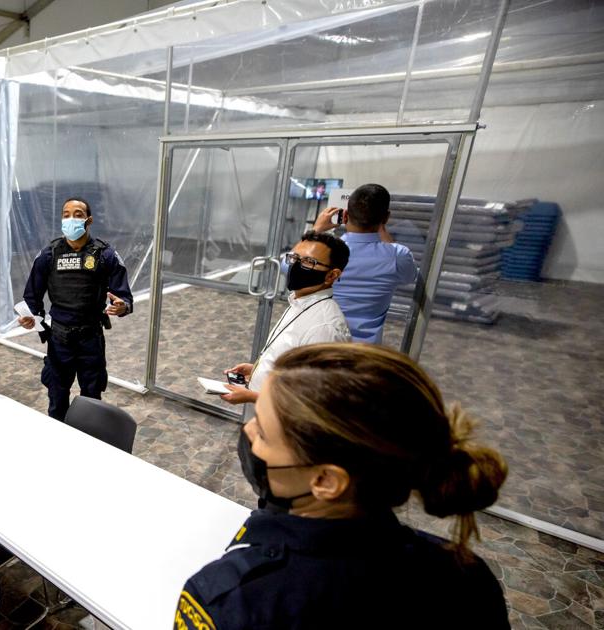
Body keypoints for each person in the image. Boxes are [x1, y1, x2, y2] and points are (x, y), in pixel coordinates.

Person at [177, 343, 510, 629]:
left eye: (263, 432)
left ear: (326, 481)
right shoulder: (467, 576)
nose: (248, 432)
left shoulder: (232, 600)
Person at [19, 197, 133, 420]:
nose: (71, 218)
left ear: (88, 220)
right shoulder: (48, 255)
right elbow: (32, 297)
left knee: (91, 399)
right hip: (59, 340)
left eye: (78, 214)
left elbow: (123, 296)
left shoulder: (105, 254)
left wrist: (122, 306)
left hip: (90, 338)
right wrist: (31, 318)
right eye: (66, 214)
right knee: (57, 397)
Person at [221, 231, 350, 406]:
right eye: (295, 258)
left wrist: (252, 397)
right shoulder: (300, 301)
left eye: (308, 261)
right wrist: (259, 370)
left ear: (332, 275)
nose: (296, 266)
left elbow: (312, 401)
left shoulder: (325, 327)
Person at [314, 183, 417, 344]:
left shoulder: (325, 251)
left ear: (346, 214)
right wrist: (382, 228)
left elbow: (289, 267)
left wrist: (315, 231)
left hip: (321, 341)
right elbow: (409, 277)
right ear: (386, 217)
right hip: (364, 350)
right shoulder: (398, 256)